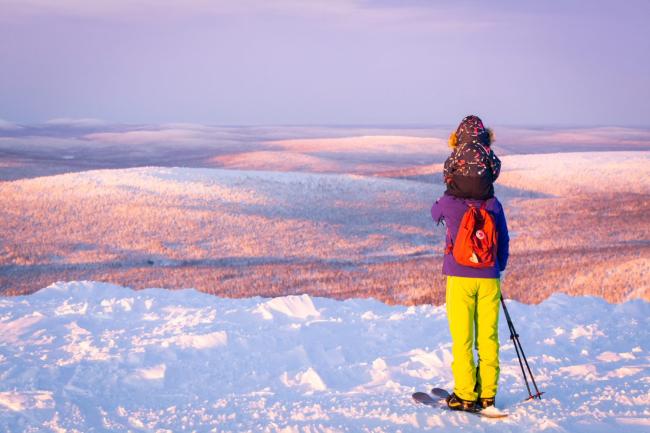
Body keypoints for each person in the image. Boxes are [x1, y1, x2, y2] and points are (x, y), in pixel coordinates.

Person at [430, 162, 510, 412]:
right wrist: (497, 267)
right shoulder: (494, 205)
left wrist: (449, 189)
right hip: (489, 278)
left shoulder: (449, 203)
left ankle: (465, 394)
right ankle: (487, 395)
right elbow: (504, 240)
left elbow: (434, 214)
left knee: (462, 338)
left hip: (460, 277)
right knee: (488, 337)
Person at [444, 115, 501, 200]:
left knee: (438, 208)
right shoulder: (485, 150)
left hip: (458, 189)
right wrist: (488, 179)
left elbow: (447, 166)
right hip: (483, 190)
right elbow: (496, 165)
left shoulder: (459, 150)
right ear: (484, 133)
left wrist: (448, 181)